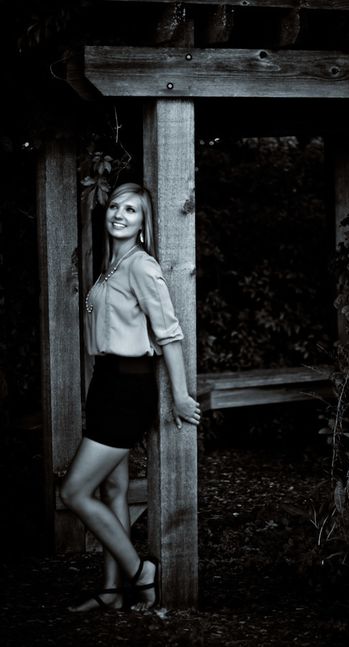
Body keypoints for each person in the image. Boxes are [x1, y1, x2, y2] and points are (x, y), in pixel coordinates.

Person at [60, 182, 200, 612]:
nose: (119, 214)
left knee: (73, 493)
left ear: (143, 223)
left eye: (131, 210)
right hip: (105, 381)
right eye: (115, 206)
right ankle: (111, 591)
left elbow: (169, 333)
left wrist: (180, 396)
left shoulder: (141, 265)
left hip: (127, 387)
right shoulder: (111, 266)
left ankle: (141, 573)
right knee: (112, 489)